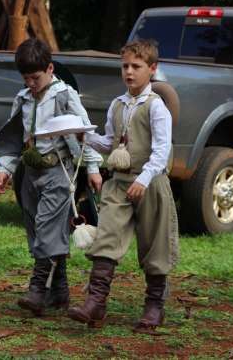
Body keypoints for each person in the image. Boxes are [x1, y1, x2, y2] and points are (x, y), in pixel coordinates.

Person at [68, 39, 179, 332]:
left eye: (136, 67)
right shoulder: (118, 105)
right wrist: (84, 137)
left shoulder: (157, 107)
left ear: (152, 69)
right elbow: (110, 141)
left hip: (150, 182)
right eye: (125, 66)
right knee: (107, 236)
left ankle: (154, 306)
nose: (129, 72)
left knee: (155, 245)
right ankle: (96, 303)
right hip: (119, 182)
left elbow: (161, 150)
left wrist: (144, 179)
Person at [0, 38, 102, 316]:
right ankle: (60, 293)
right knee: (36, 229)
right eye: (26, 77)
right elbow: (16, 137)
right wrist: (5, 169)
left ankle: (37, 291)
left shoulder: (65, 95)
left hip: (58, 172)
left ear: (50, 69)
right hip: (30, 173)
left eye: (35, 77)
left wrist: (92, 169)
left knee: (47, 227)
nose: (31, 83)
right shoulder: (23, 98)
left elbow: (84, 133)